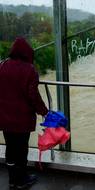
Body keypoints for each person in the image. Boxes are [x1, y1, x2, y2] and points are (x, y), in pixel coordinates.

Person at [0, 37, 48, 189]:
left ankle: (13, 179)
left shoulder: (2, 65)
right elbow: (32, 95)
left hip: (4, 117)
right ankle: (22, 180)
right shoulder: (30, 70)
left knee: (10, 147)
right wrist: (44, 111)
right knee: (21, 149)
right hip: (22, 119)